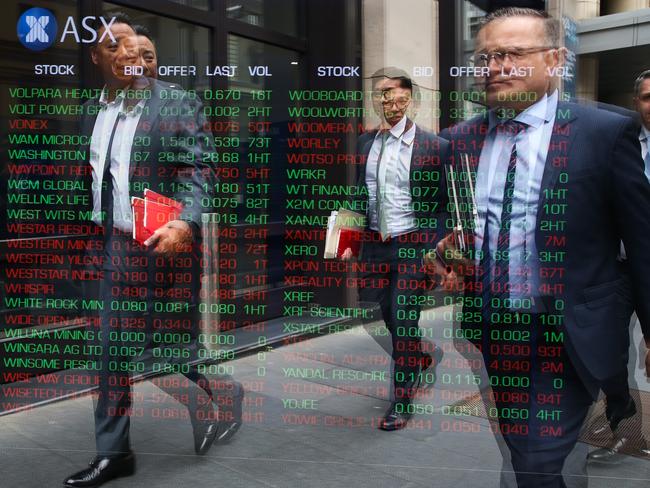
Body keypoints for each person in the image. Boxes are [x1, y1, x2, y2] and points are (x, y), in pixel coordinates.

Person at [437, 7, 650, 487]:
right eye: (485, 56)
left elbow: (640, 241)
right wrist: (447, 250)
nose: (493, 66)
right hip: (495, 326)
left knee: (536, 458)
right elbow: (452, 220)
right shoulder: (461, 141)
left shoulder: (604, 132)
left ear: (555, 60)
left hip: (569, 327)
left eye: (511, 53)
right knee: (520, 443)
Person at [63, 14, 234, 488]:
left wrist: (184, 219)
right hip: (112, 245)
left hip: (162, 245)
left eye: (132, 46)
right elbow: (89, 181)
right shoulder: (88, 112)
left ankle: (218, 395)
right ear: (97, 56)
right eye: (113, 46)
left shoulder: (177, 103)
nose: (126, 54)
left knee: (171, 347)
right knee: (110, 350)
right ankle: (114, 452)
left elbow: (198, 169)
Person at [341, 68, 449, 431]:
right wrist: (347, 234)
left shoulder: (436, 147)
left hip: (411, 245)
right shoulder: (365, 143)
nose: (388, 101)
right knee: (388, 314)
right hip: (374, 244)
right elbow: (360, 191)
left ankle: (401, 400)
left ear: (410, 100)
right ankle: (418, 355)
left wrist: (433, 252)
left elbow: (443, 207)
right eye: (381, 95)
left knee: (403, 319)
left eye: (395, 95)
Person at [584, 70, 650, 463]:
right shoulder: (616, 141)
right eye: (647, 97)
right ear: (636, 101)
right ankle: (625, 425)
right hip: (623, 268)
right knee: (610, 354)